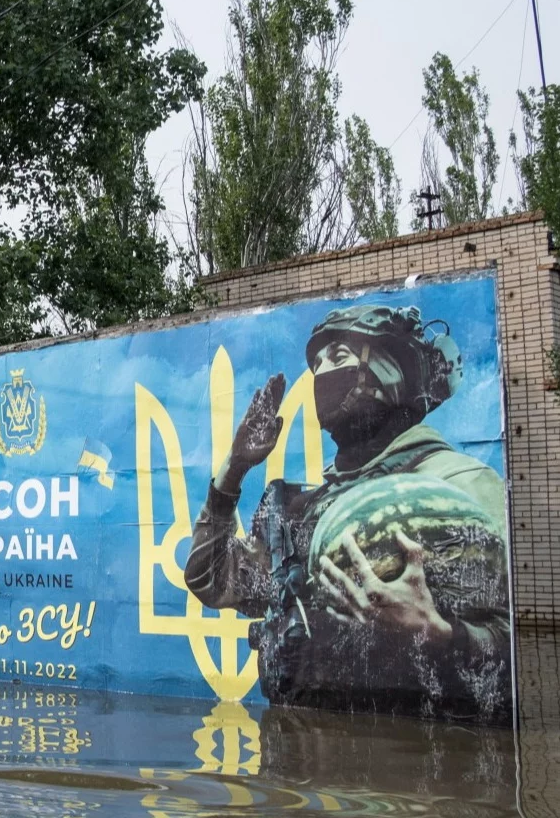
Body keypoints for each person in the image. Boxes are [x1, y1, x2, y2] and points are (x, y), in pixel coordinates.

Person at [183, 303, 510, 718]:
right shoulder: (305, 512)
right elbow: (209, 580)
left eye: (338, 358)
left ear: (393, 371)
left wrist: (443, 638)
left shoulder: (457, 484)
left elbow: (514, 655)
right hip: (291, 770)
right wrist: (235, 469)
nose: (322, 375)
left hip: (406, 770)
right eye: (316, 365)